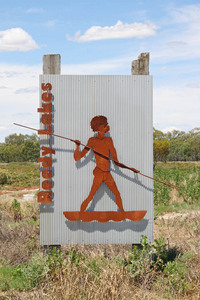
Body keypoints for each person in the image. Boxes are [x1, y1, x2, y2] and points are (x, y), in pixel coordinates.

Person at [74, 115, 124, 212]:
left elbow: (116, 161)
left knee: (117, 194)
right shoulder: (92, 141)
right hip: (99, 172)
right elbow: (77, 158)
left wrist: (131, 169)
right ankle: (81, 213)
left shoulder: (109, 140)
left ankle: (123, 212)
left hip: (107, 173)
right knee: (91, 195)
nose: (107, 126)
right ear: (99, 127)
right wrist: (77, 147)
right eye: (105, 124)